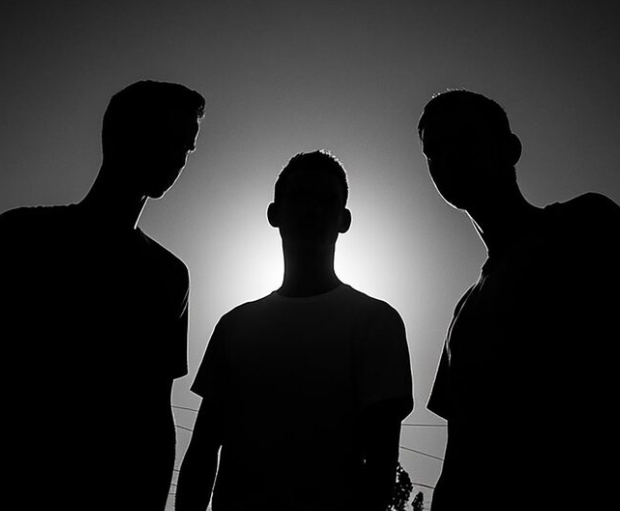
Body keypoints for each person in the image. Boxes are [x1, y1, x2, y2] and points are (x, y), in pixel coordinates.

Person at [0, 80, 205, 510]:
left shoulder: (170, 277)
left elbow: (156, 408)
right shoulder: (21, 237)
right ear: (119, 135)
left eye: (187, 147)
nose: (178, 157)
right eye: (168, 137)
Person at [176, 150, 413, 511]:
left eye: (326, 200)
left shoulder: (376, 323)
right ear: (274, 214)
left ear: (344, 219)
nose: (313, 210)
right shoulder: (235, 326)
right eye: (300, 197)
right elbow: (202, 450)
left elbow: (380, 468)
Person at [419, 89, 620, 510]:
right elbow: (458, 453)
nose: (448, 156)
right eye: (433, 150)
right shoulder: (463, 313)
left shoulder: (585, 225)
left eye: (464, 138)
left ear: (510, 149)